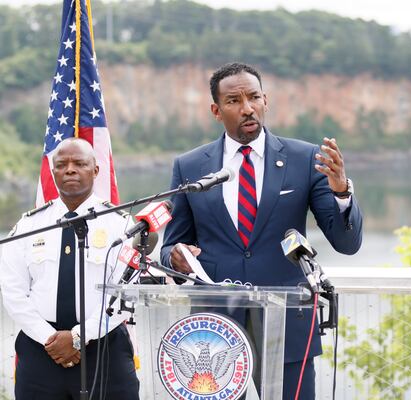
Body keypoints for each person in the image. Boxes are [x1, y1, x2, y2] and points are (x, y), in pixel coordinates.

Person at [160, 62, 363, 399]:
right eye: (234, 101)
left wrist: (341, 192)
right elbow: (173, 245)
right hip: (214, 333)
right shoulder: (191, 165)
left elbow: (347, 243)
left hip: (287, 324)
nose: (247, 108)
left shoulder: (305, 158)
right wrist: (175, 257)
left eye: (254, 97)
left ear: (266, 101)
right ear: (216, 109)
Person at [0, 138, 140, 399]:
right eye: (61, 165)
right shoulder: (30, 226)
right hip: (41, 349)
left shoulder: (121, 225)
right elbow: (13, 291)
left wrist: (78, 336)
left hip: (104, 347)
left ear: (95, 170)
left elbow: (126, 294)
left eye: (80, 163)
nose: (70, 170)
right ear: (52, 172)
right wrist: (50, 339)